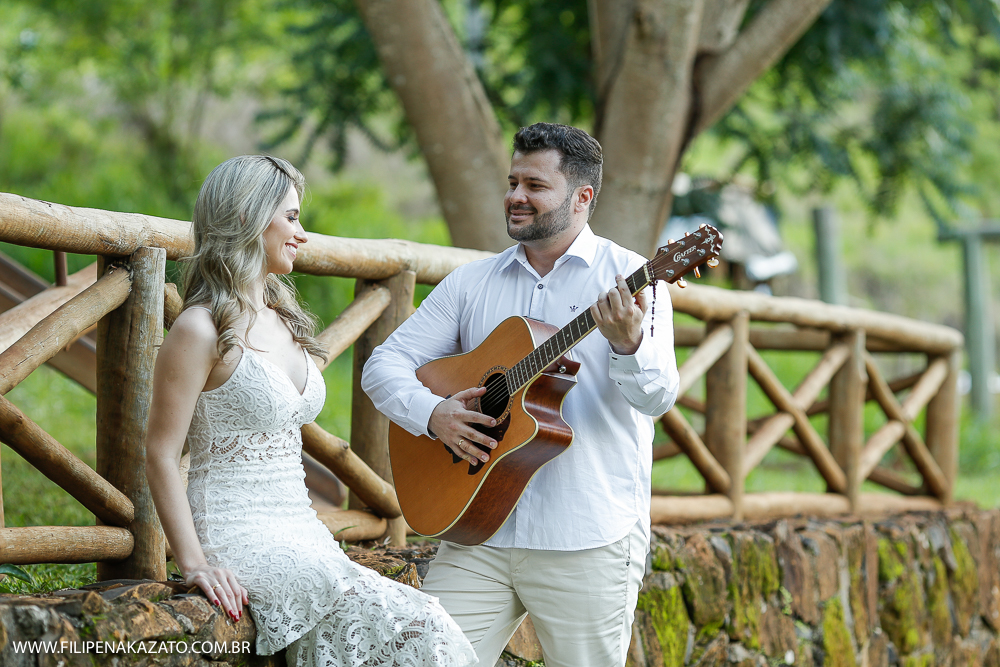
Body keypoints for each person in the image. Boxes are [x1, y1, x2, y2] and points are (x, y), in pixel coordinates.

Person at [361, 123, 680, 667]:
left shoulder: (631, 278)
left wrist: (629, 346)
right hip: (476, 531)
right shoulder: (472, 283)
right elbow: (383, 364)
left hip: (586, 535)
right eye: (512, 182)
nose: (515, 196)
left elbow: (657, 399)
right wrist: (433, 414)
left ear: (583, 198)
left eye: (534, 185)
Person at [145, 155, 478, 667]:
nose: (303, 233)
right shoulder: (199, 329)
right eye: (293, 217)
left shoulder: (281, 319)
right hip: (239, 534)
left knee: (428, 622)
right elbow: (161, 453)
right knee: (417, 632)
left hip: (303, 531)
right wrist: (194, 562)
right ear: (247, 218)